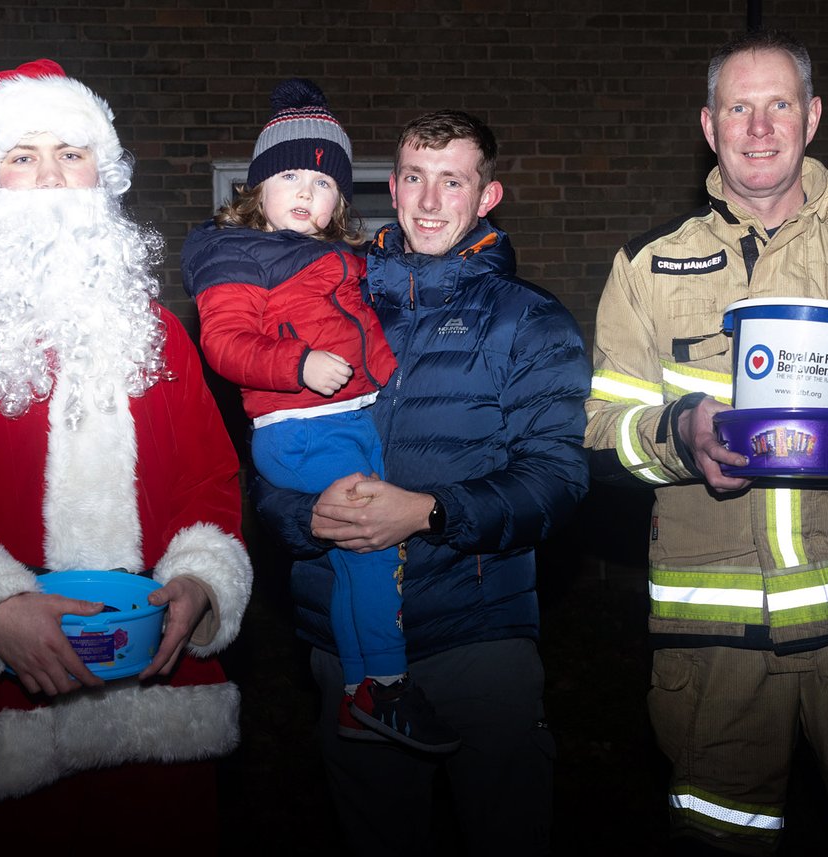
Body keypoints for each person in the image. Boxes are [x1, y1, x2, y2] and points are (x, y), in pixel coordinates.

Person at [585, 30, 828, 856]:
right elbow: (599, 433)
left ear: (811, 117)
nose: (758, 127)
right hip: (712, 642)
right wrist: (676, 432)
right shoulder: (646, 266)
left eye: (778, 105)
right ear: (709, 123)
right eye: (739, 106)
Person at [0, 60, 253, 844]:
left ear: (103, 176)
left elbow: (210, 477)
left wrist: (199, 581)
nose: (48, 178)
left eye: (70, 154)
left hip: (153, 700)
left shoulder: (160, 330)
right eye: (22, 155)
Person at [254, 110, 589, 855]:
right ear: (392, 185)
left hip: (479, 640)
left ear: (488, 195)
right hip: (346, 652)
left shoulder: (530, 321)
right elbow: (269, 456)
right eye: (414, 177)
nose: (430, 201)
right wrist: (304, 515)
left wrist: (428, 512)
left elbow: (558, 481)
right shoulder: (324, 303)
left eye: (453, 181)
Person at [182, 79, 458, 753]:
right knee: (373, 545)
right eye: (291, 176)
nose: (308, 192)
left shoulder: (333, 256)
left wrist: (394, 377)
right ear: (258, 188)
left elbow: (365, 331)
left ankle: (356, 691)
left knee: (349, 561)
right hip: (300, 429)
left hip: (347, 420)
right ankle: (385, 684)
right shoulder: (238, 255)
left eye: (325, 181)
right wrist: (296, 364)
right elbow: (222, 342)